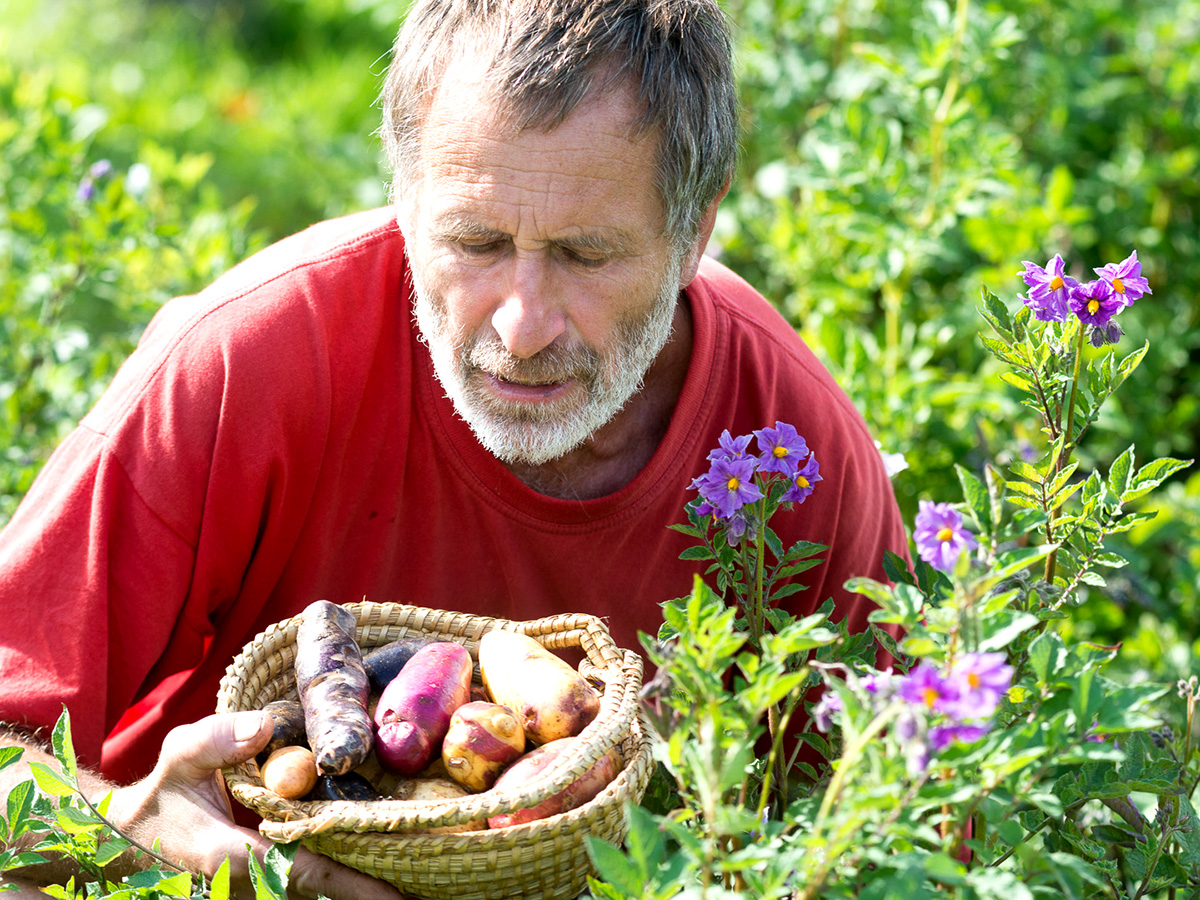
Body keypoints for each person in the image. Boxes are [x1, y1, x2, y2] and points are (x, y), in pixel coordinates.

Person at [0, 0, 908, 896]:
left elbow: (914, 824)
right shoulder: (251, 361)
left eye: (586, 255)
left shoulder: (787, 449)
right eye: (475, 242)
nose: (520, 326)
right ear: (403, 199)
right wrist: (116, 836)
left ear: (694, 233)